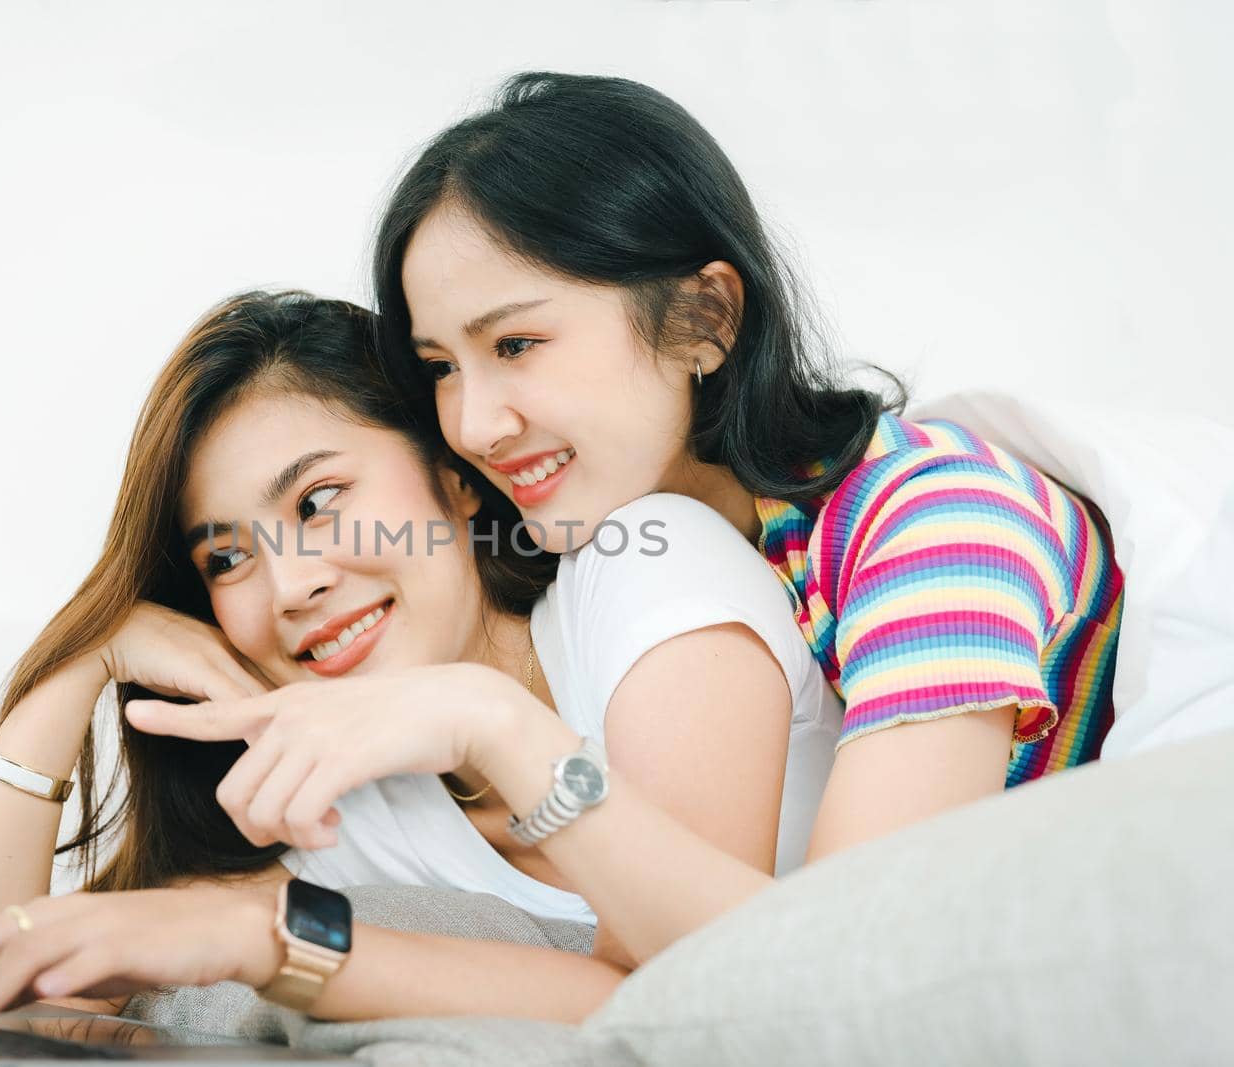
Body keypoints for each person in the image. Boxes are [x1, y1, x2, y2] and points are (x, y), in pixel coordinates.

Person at [110, 70, 1124, 975]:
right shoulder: (642, 539)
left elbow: (840, 971)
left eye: (515, 342)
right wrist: (99, 645)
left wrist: (495, 723)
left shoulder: (932, 530)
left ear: (702, 319)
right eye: (440, 368)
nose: (470, 423)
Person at [0, 290, 842, 1042]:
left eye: (319, 498)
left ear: (455, 476)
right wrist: (82, 661)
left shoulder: (645, 565)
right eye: (225, 557)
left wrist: (273, 939)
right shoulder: (337, 808)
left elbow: (702, 1002)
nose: (293, 584)